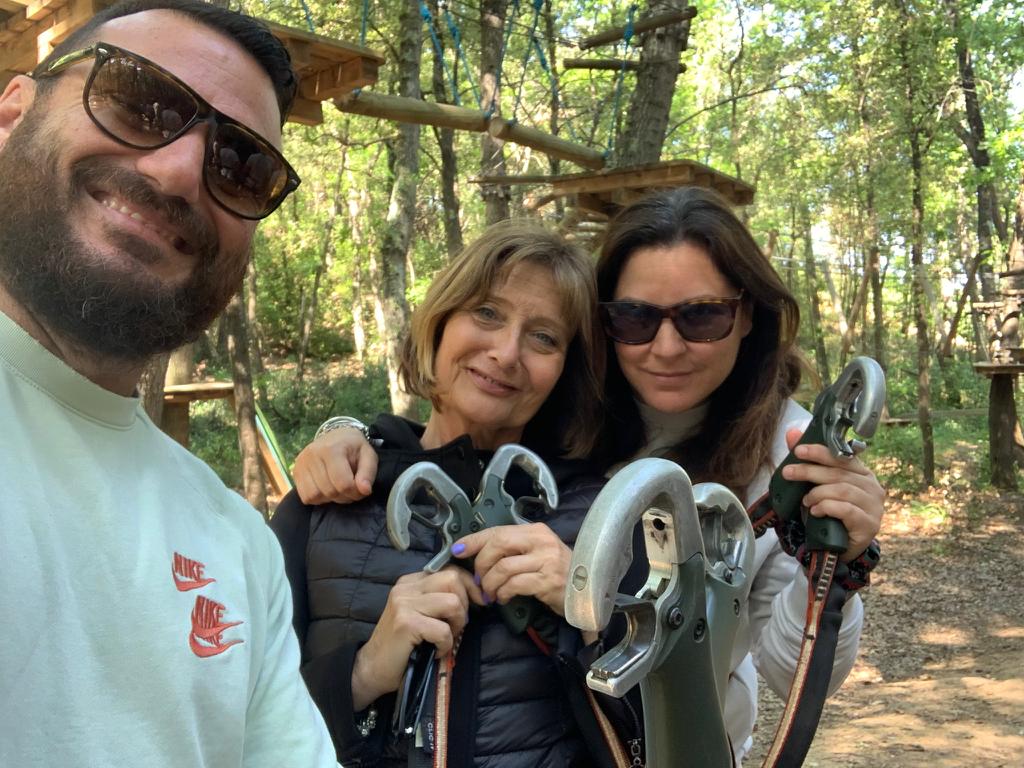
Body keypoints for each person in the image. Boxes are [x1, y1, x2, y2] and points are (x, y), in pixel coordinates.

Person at [292, 188, 886, 765]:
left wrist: (834, 558)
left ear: (747, 314)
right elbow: (458, 424)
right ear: (601, 331)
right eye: (634, 317)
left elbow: (795, 671)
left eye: (702, 315)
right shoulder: (569, 425)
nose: (667, 346)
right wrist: (349, 435)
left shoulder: (787, 453)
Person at [0, 2, 336, 766]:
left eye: (240, 165)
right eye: (138, 101)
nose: (179, 172)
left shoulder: (239, 546)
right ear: (13, 115)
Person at [269, 221, 642, 767]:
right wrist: (363, 673)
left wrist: (595, 615)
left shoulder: (605, 520)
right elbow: (244, 716)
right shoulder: (328, 501)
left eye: (544, 337)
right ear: (440, 323)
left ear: (567, 369)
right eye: (487, 313)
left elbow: (670, 731)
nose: (507, 353)